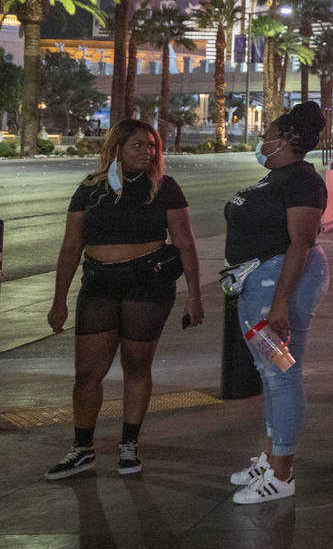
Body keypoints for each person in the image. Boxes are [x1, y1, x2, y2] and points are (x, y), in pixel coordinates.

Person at [46, 119, 202, 480]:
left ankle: (129, 445)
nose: (147, 152)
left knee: (136, 366)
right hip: (99, 284)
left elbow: (185, 243)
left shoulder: (165, 188)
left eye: (152, 146)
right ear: (117, 147)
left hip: (148, 283)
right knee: (87, 373)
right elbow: (71, 246)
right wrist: (59, 300)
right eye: (139, 145)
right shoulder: (90, 188)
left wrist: (194, 296)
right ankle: (82, 449)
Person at [224, 101, 329, 504]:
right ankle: (272, 458)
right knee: (272, 373)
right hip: (262, 281)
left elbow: (300, 242)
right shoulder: (280, 177)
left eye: (267, 135)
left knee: (281, 374)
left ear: (285, 140)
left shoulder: (302, 180)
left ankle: (282, 475)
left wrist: (281, 304)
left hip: (278, 284)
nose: (261, 141)